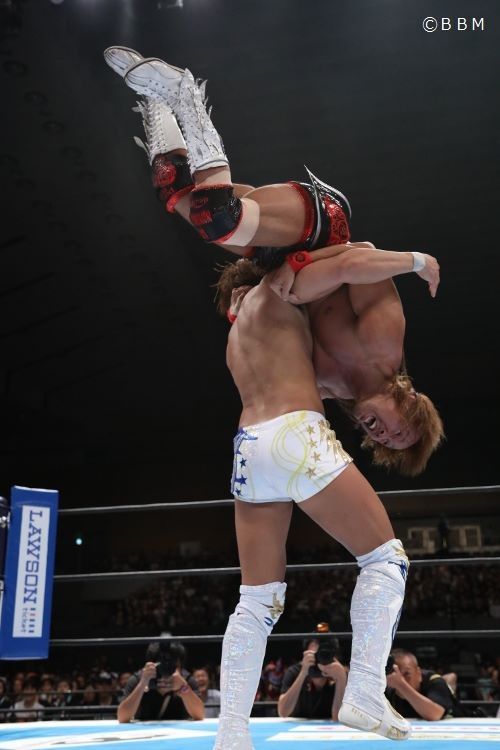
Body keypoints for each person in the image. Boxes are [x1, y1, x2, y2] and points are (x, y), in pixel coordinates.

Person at [103, 46, 444, 476]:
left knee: (177, 192)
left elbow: (270, 335)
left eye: (386, 443)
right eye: (400, 431)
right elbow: (360, 255)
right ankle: (185, 93)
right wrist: (416, 261)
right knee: (220, 221)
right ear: (411, 401)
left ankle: (155, 99)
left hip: (281, 258)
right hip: (323, 227)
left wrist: (247, 308)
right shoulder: (383, 345)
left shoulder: (323, 388)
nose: (385, 436)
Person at [118, 641, 204, 722]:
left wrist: (184, 688)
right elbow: (122, 717)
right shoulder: (139, 679)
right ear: (152, 664)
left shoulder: (187, 679)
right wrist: (142, 684)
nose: (167, 670)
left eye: (172, 665)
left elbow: (199, 715)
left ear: (180, 665)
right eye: (162, 665)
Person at [278, 638, 347, 720]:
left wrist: (341, 679)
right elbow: (283, 712)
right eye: (315, 656)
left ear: (335, 657)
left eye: (324, 654)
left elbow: (339, 720)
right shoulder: (295, 672)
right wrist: (303, 673)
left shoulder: (342, 674)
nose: (319, 660)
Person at [386, 649, 457, 720]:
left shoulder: (435, 681)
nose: (400, 678)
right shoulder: (387, 686)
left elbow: (435, 715)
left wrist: (401, 685)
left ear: (418, 673)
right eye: (395, 674)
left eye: (407, 673)